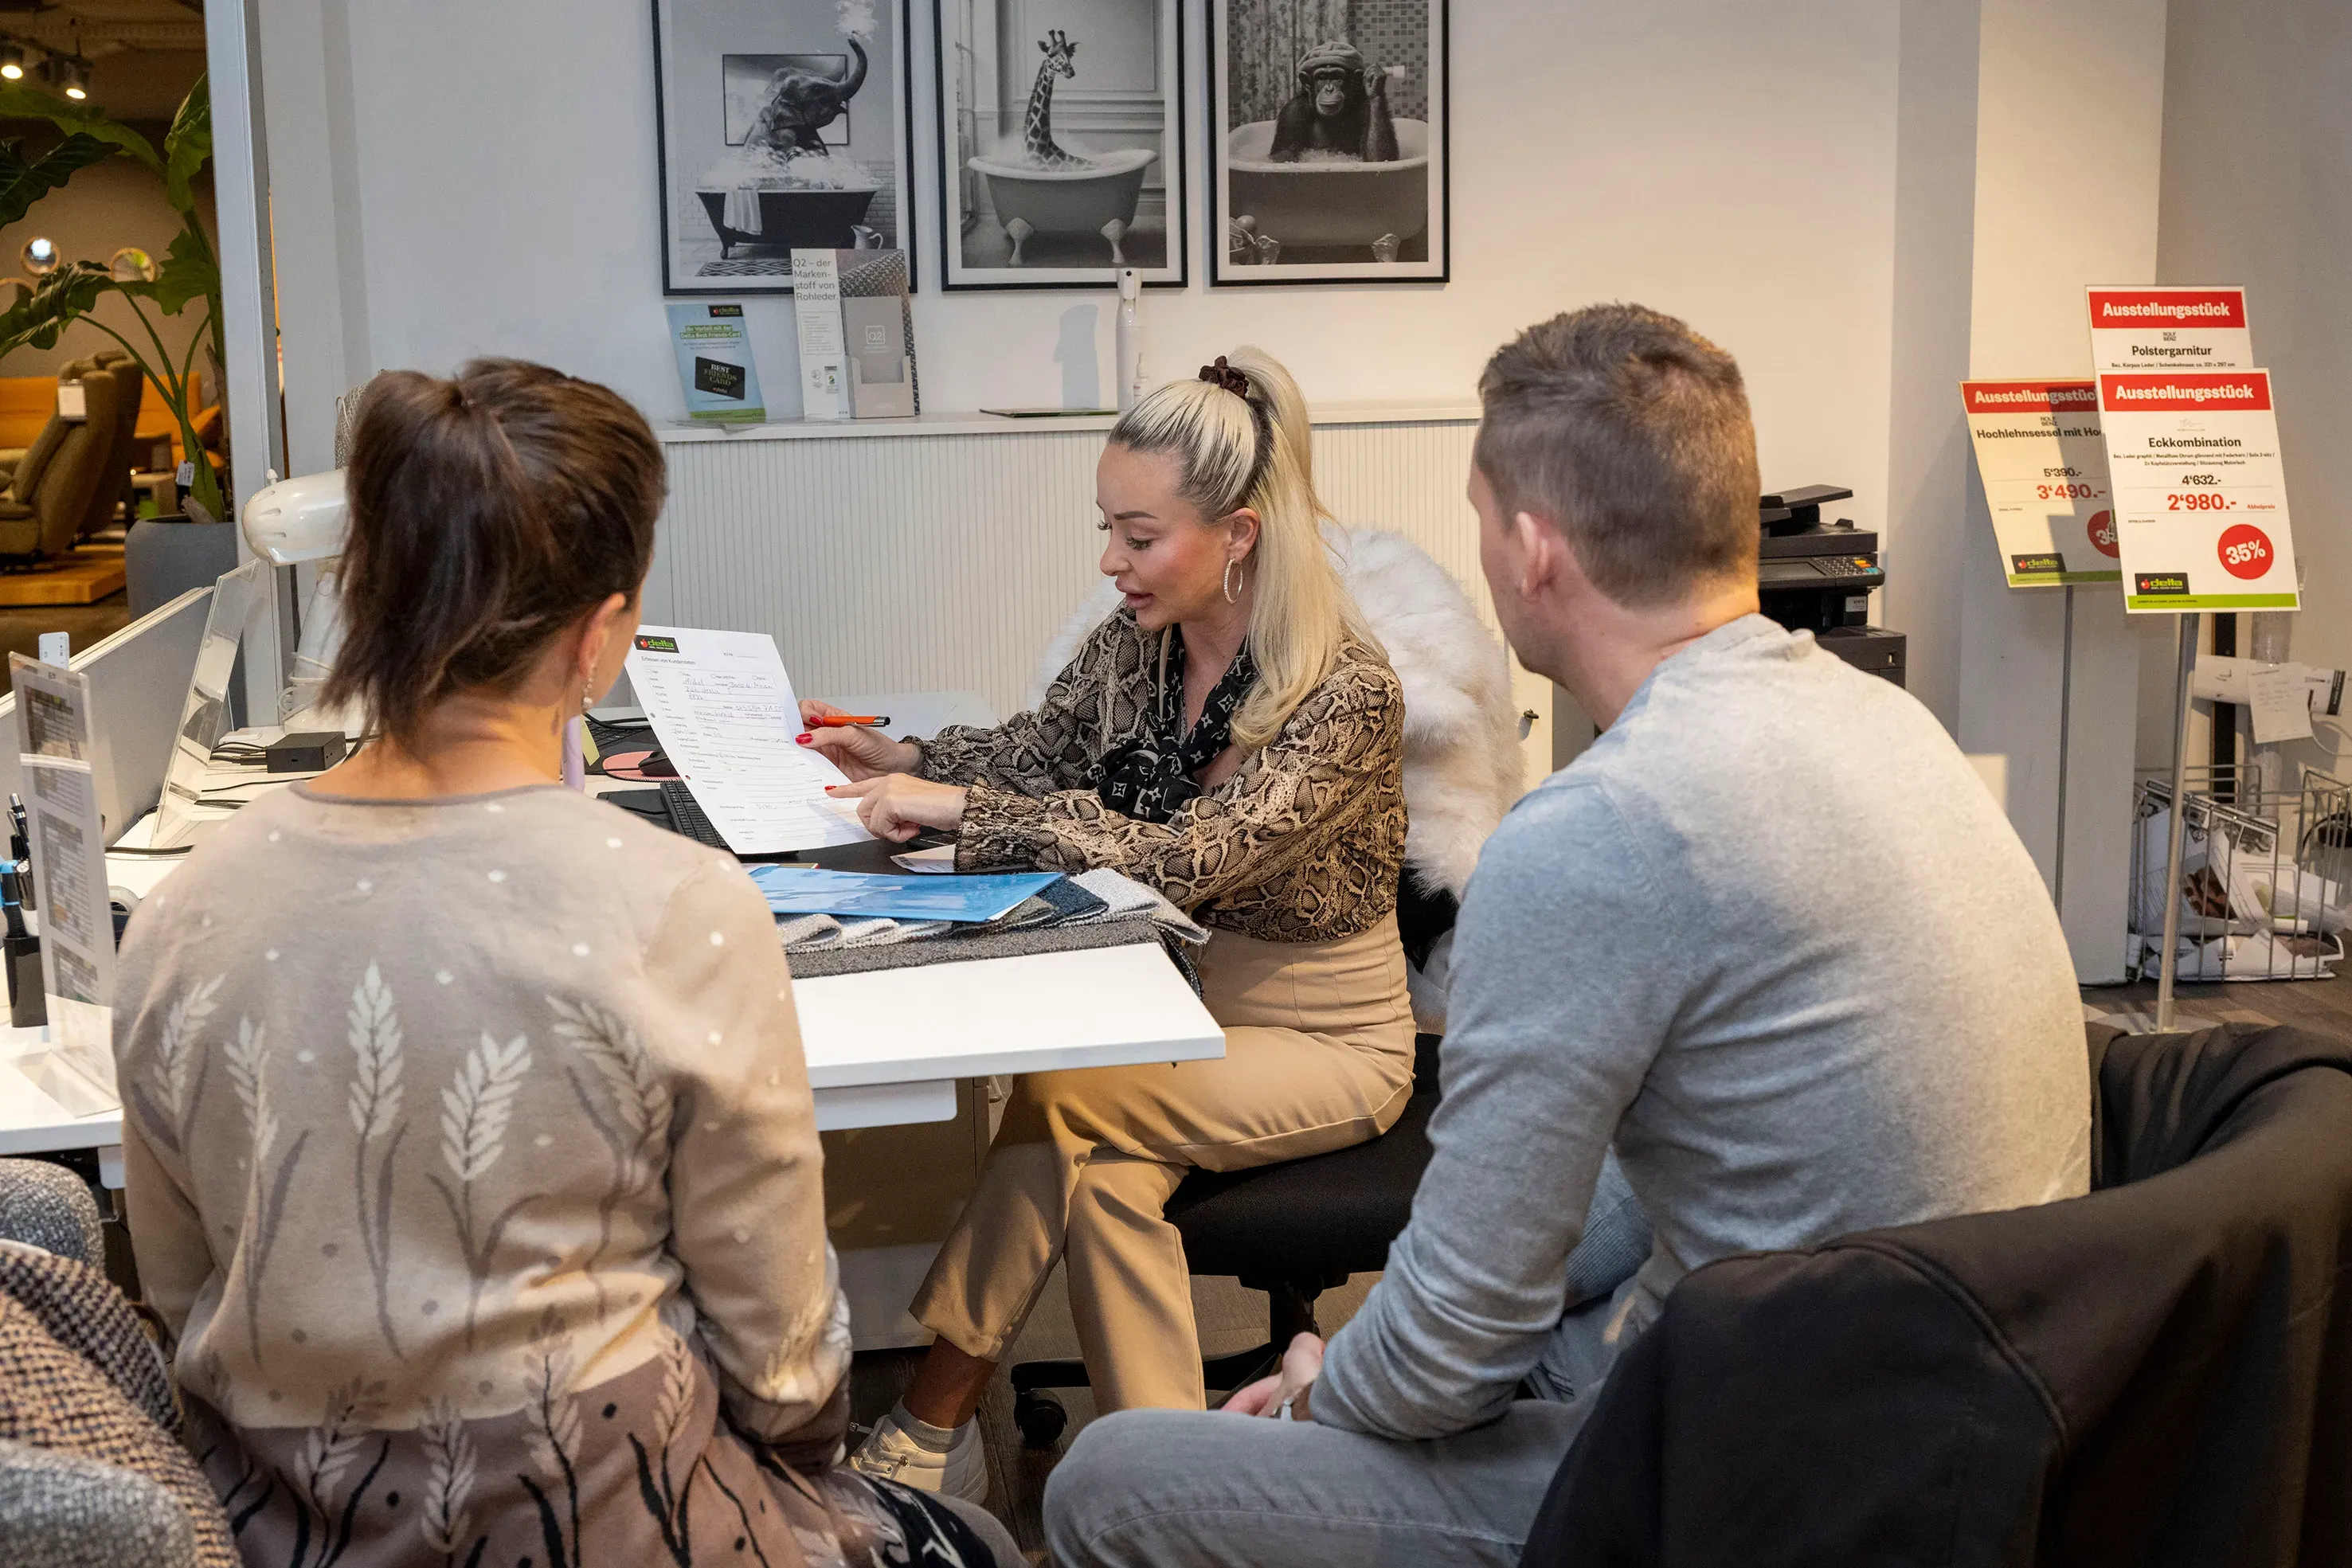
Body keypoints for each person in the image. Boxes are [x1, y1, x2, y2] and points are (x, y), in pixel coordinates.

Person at [1042, 303, 2094, 1567]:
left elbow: (1447, 1351)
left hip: (1764, 1485)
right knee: (1437, 1345)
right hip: (1973, 1423)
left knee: (1110, 1480)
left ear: (1533, 550)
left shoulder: (1597, 833)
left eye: (1480, 519)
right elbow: (1638, 1191)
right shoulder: (1893, 730)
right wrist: (1383, 1358)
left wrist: (1326, 1398)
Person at [112, 360, 1018, 1568]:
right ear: (597, 637)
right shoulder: (681, 908)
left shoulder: (180, 913)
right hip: (605, 1515)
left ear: (367, 596)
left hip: (277, 1524)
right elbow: (781, 1354)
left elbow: (180, 1296)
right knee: (968, 1540)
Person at [804, 349, 1415, 1501]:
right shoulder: (1139, 644)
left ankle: (933, 1421)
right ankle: (1179, 1491)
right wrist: (907, 756)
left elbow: (1193, 858)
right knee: (1108, 1182)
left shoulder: (1347, 693)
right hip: (1172, 1009)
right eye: (1108, 530)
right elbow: (1038, 750)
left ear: (1238, 535)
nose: (1110, 562)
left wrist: (971, 813)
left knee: (1064, 1096)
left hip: (1328, 1039)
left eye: (1139, 536)